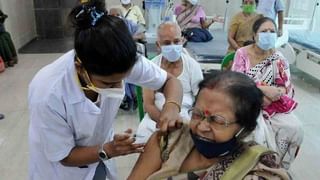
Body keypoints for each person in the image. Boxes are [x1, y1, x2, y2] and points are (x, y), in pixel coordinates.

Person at [28, 1, 183, 180]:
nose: (117, 88)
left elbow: (171, 82)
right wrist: (108, 150)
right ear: (81, 67)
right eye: (108, 84)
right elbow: (64, 156)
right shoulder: (48, 93)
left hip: (97, 156)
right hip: (61, 171)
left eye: (121, 80)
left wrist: (171, 107)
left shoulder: (123, 58)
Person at [128, 71, 290, 180]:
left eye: (217, 120)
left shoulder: (256, 170)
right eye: (197, 114)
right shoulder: (168, 140)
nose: (201, 127)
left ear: (245, 128)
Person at [231, 17, 303, 169]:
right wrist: (263, 90)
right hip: (246, 102)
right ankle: (253, 168)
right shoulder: (242, 54)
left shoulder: (279, 58)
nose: (268, 34)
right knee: (256, 132)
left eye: (272, 31)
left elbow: (286, 87)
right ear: (254, 35)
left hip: (273, 104)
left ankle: (277, 167)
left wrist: (274, 94)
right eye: (264, 31)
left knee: (295, 127)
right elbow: (238, 82)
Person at [136, 22, 203, 143]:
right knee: (143, 137)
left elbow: (200, 99)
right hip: (156, 116)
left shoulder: (192, 66)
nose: (173, 46)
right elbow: (149, 104)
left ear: (182, 41)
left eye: (176, 41)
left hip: (185, 116)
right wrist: (164, 121)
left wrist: (189, 121)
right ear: (158, 45)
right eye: (167, 43)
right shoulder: (152, 67)